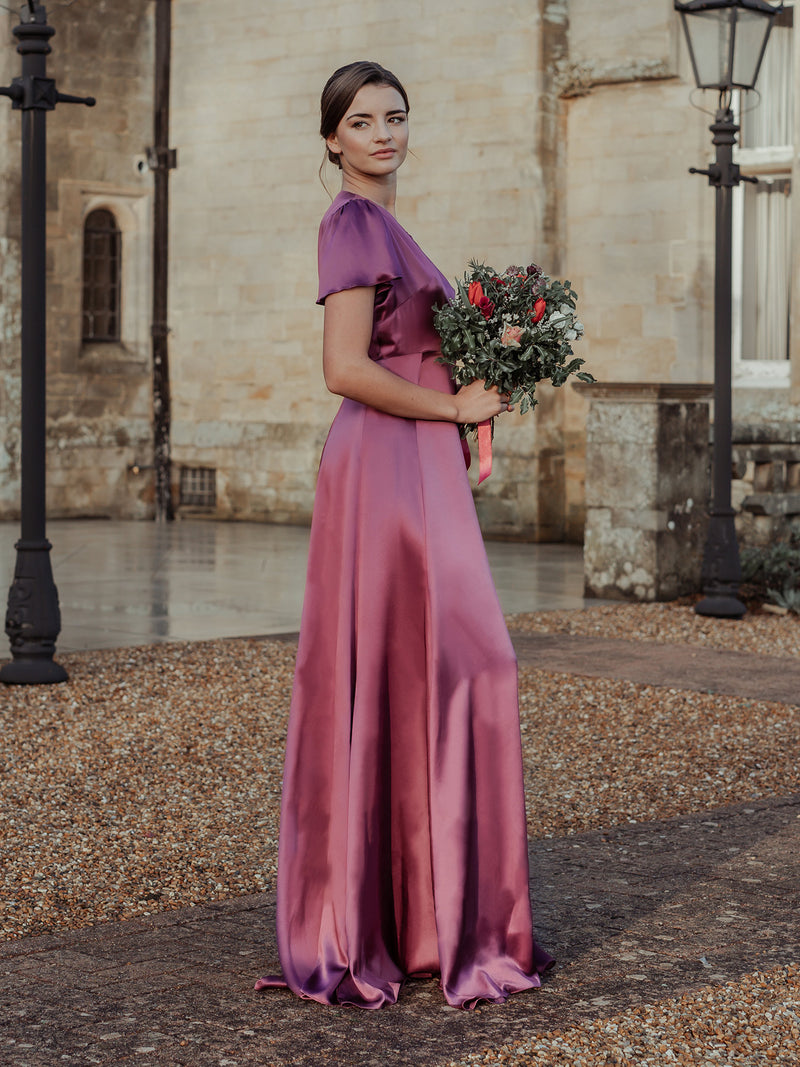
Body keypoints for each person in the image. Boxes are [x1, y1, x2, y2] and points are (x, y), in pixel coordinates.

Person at [255, 60, 553, 1010]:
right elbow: (343, 367)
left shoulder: (388, 225)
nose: (385, 132)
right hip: (385, 462)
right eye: (364, 120)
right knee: (468, 662)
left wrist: (475, 391)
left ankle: (425, 917)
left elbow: (407, 348)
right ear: (332, 139)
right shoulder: (350, 222)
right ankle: (397, 920)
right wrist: (449, 401)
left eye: (398, 116)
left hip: (415, 457)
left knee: (423, 671)